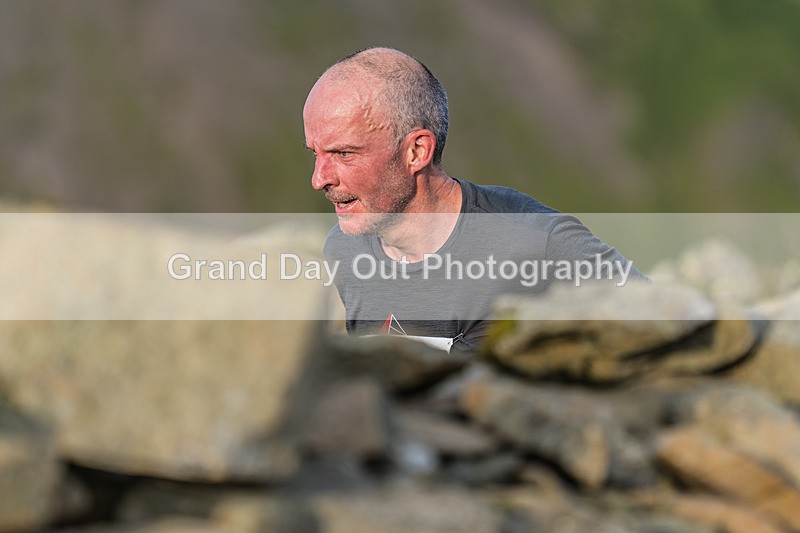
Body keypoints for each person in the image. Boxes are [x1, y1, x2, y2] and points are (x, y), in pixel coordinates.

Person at [303, 47, 645, 352]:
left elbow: (675, 324)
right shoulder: (344, 248)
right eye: (315, 153)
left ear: (416, 151)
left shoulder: (539, 241)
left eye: (344, 153)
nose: (319, 179)